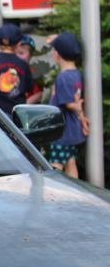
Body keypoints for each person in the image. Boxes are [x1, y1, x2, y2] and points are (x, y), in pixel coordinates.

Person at [46, 31, 88, 179]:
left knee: (56, 165)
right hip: (73, 131)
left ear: (57, 55)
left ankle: (54, 194)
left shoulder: (63, 78)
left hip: (62, 132)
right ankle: (74, 193)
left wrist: (77, 106)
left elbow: (68, 103)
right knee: (70, 162)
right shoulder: (77, 73)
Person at [15, 34, 44, 104]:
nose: (17, 56)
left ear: (30, 55)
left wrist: (23, 105)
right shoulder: (8, 69)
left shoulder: (34, 73)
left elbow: (38, 94)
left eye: (21, 53)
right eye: (15, 53)